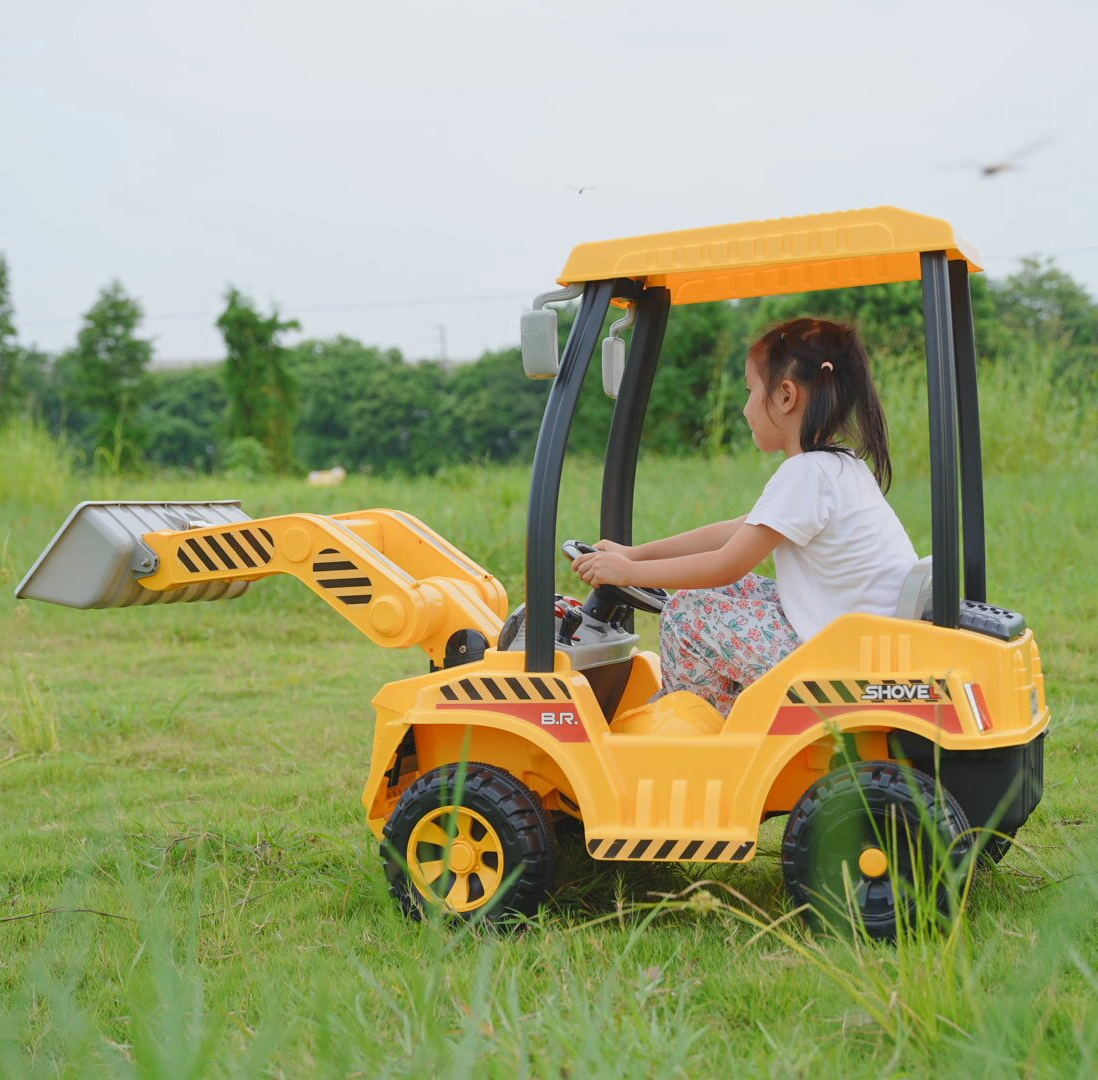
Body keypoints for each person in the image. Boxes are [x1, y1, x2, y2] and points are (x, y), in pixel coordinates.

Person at [571, 317, 918, 715]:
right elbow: (735, 532)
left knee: (689, 614)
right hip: (851, 640)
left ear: (786, 396)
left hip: (836, 660)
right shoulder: (838, 465)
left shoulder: (806, 473)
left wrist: (626, 574)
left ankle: (699, 727)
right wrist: (634, 554)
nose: (745, 406)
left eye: (751, 391)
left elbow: (726, 564)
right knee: (717, 595)